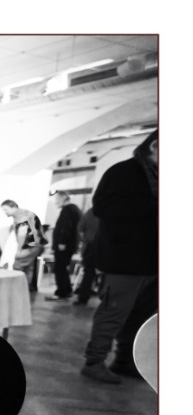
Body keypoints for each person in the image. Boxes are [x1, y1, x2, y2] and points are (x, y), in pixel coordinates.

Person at [81, 130, 158, 384]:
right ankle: (94, 362)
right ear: (155, 145)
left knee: (141, 316)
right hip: (123, 261)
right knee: (112, 313)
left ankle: (125, 361)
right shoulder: (124, 171)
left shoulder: (156, 175)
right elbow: (102, 207)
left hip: (150, 261)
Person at [0, 199, 47, 292]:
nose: (5, 212)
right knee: (29, 267)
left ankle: (16, 289)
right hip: (36, 245)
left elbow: (22, 233)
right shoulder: (25, 213)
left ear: (13, 207)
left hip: (31, 245)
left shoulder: (21, 216)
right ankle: (26, 289)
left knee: (18, 265)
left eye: (6, 209)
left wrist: (19, 249)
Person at [45, 191, 82, 301]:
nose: (55, 202)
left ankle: (62, 292)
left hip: (64, 245)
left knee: (60, 268)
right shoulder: (74, 209)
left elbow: (66, 227)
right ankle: (66, 290)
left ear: (64, 198)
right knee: (62, 268)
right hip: (69, 245)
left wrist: (62, 242)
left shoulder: (68, 210)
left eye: (57, 199)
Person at [73, 208, 102, 306]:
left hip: (91, 245)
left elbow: (80, 228)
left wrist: (85, 239)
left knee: (88, 272)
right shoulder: (112, 212)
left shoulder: (91, 212)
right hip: (105, 246)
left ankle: (83, 297)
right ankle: (102, 297)